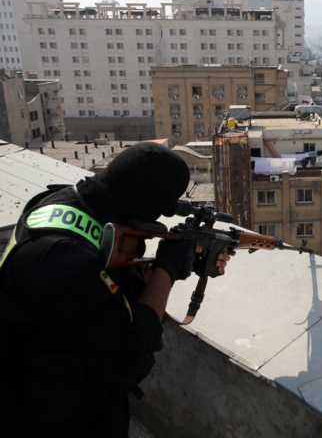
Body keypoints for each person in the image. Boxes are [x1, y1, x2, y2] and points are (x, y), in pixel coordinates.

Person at [0, 143, 234, 437]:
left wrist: (173, 263)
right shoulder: (65, 261)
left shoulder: (59, 203)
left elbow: (99, 284)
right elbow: (129, 357)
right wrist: (167, 269)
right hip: (53, 417)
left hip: (38, 377)